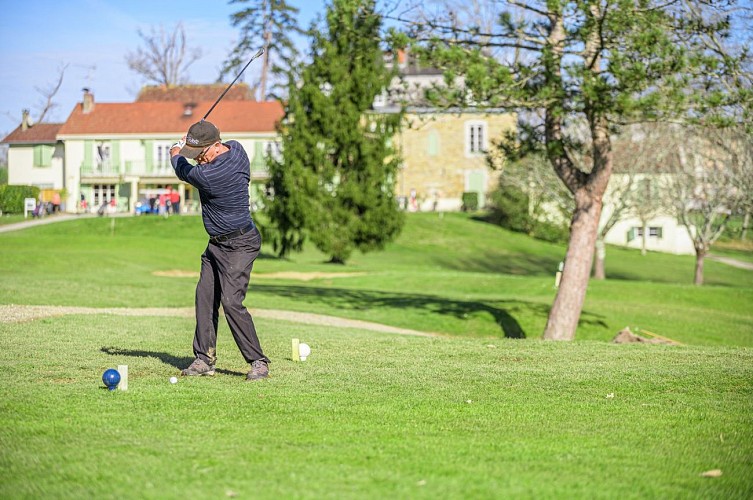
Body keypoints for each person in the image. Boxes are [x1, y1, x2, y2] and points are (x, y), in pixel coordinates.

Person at [170, 120, 269, 381]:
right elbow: (204, 151)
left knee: (231, 301)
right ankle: (204, 358)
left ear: (215, 146)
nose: (198, 159)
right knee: (204, 296)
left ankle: (258, 362)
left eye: (201, 153)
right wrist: (192, 143)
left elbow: (182, 169)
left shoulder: (208, 176)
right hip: (216, 244)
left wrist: (176, 150)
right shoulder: (237, 150)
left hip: (240, 244)